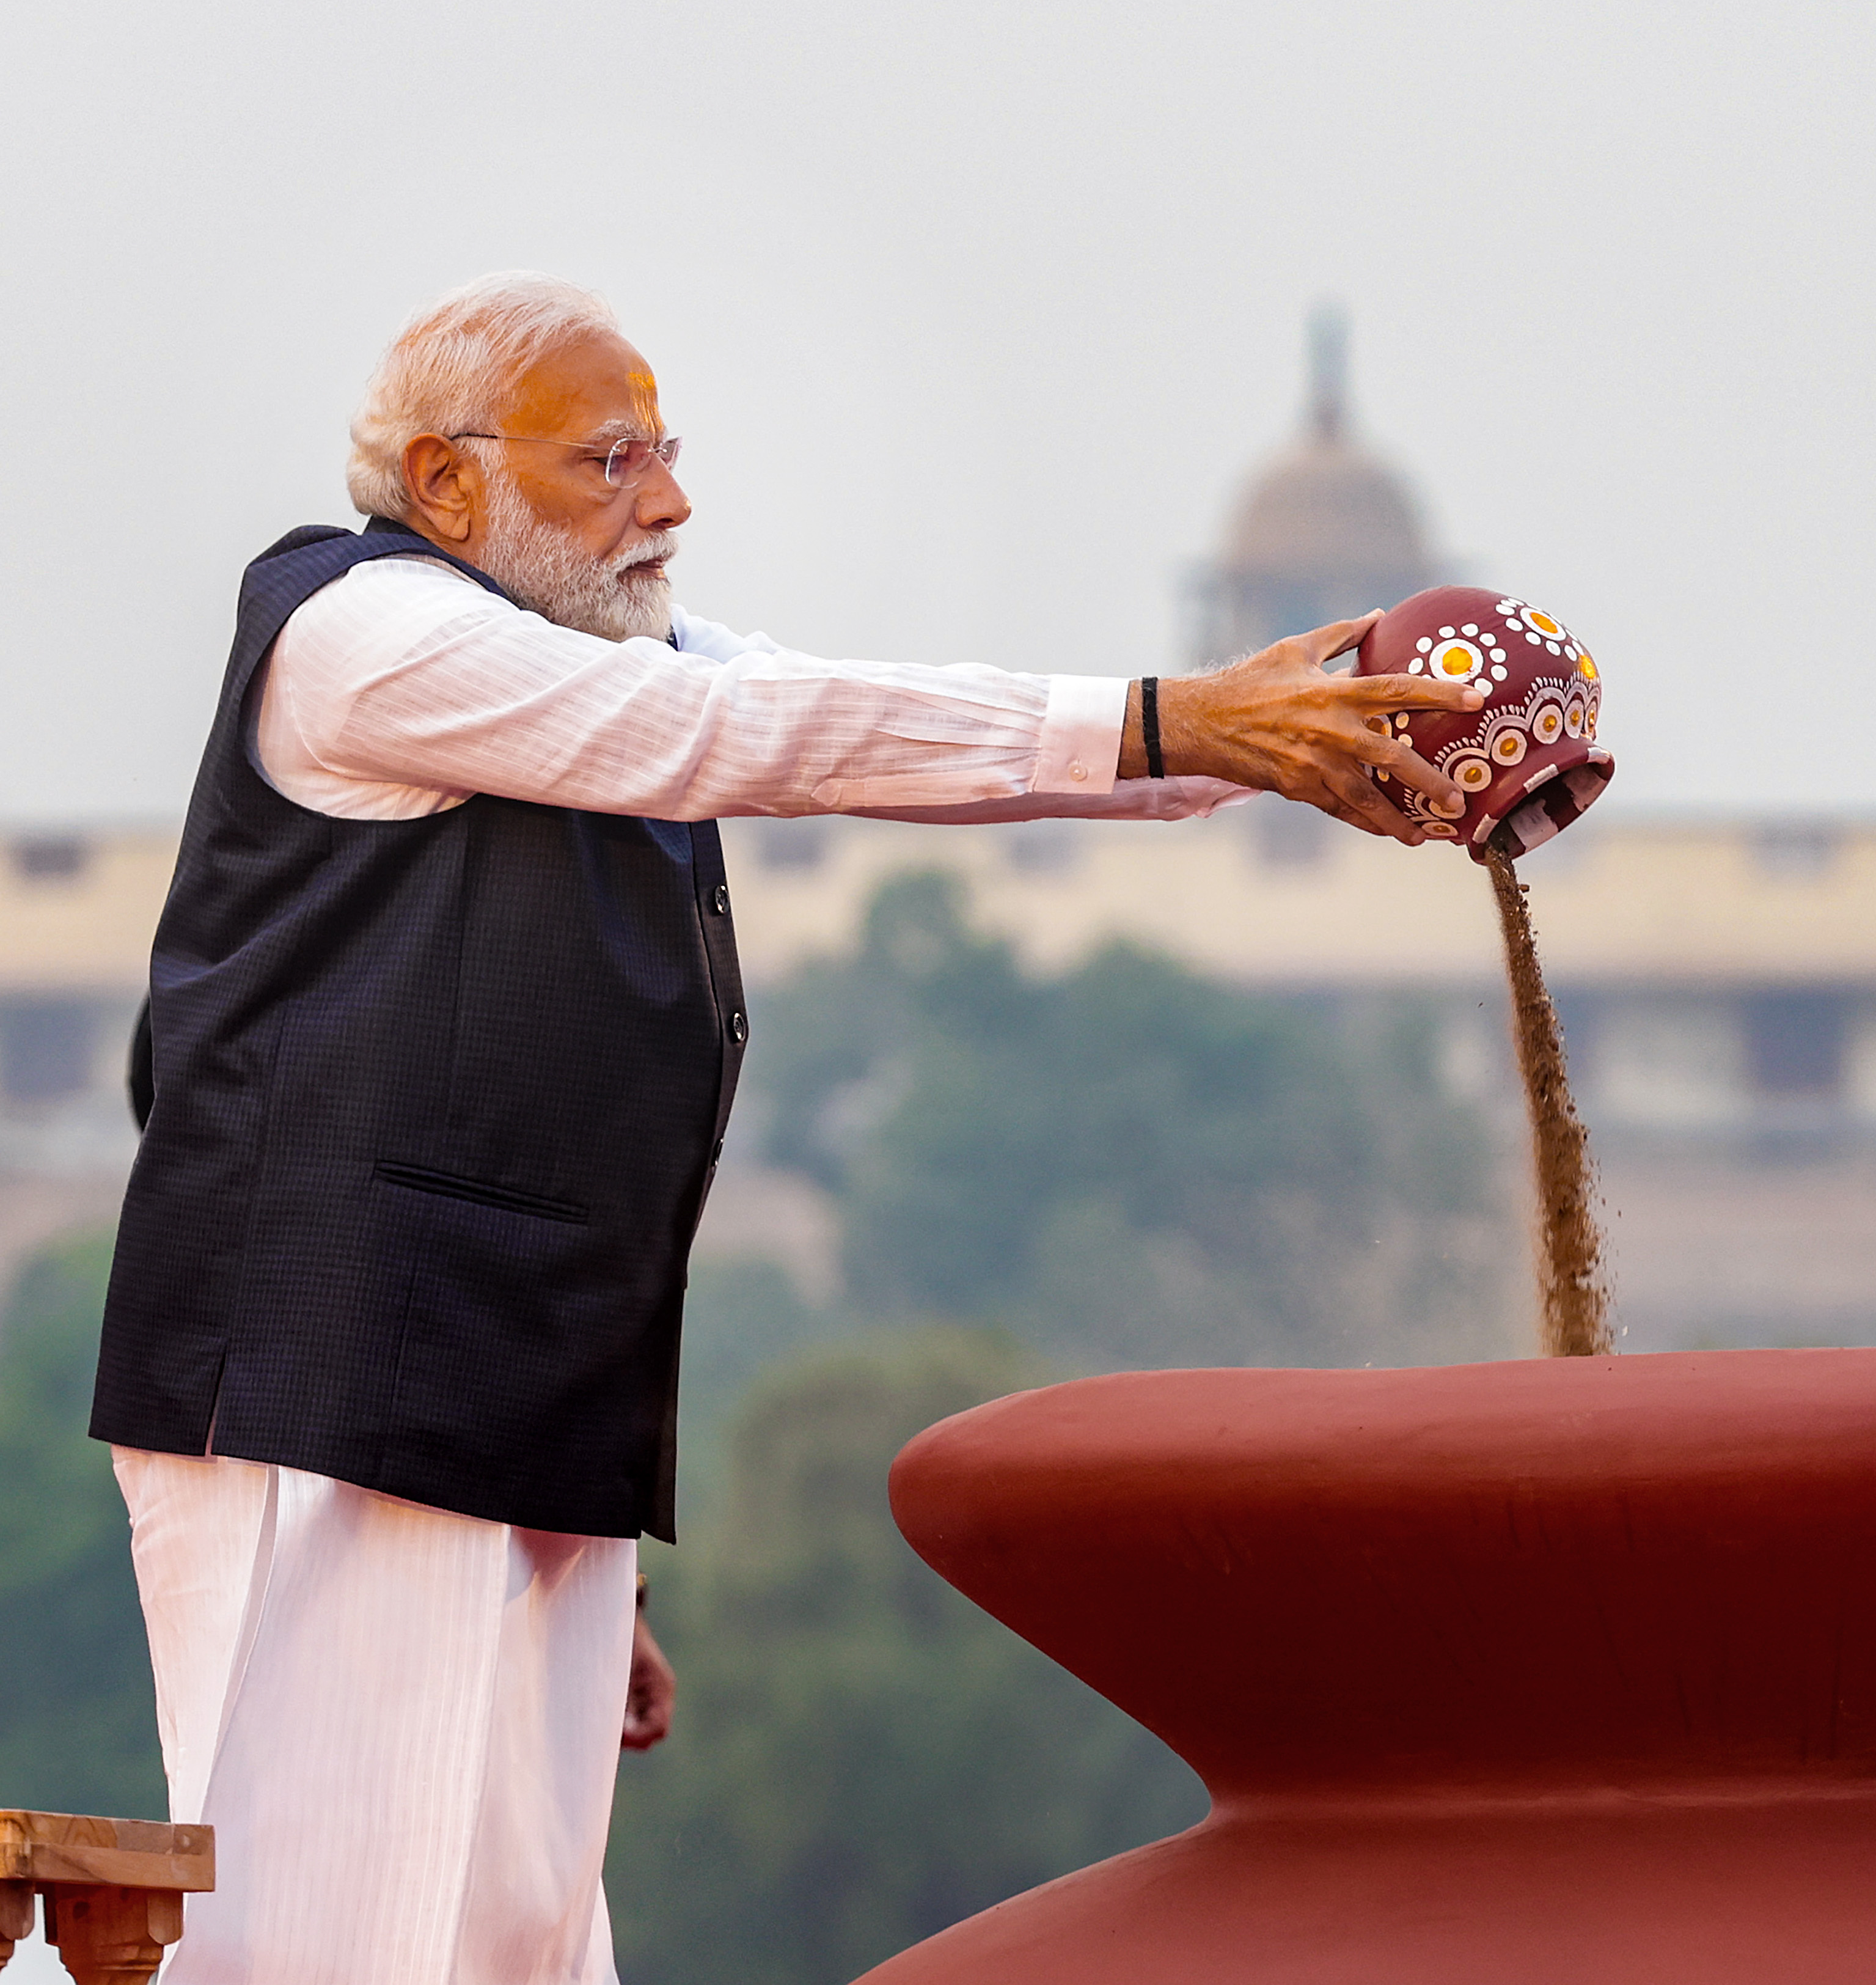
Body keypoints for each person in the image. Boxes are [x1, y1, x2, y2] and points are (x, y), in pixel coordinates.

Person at [90, 271, 1475, 1984]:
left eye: (664, 452)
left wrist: (1253, 743)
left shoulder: (598, 651)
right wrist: (1175, 722)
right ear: (448, 487)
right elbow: (738, 737)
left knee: (520, 1945)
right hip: (319, 1378)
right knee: (324, 1944)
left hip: (504, 1405)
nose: (666, 501)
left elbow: (876, 720)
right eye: (607, 460)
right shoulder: (367, 635)